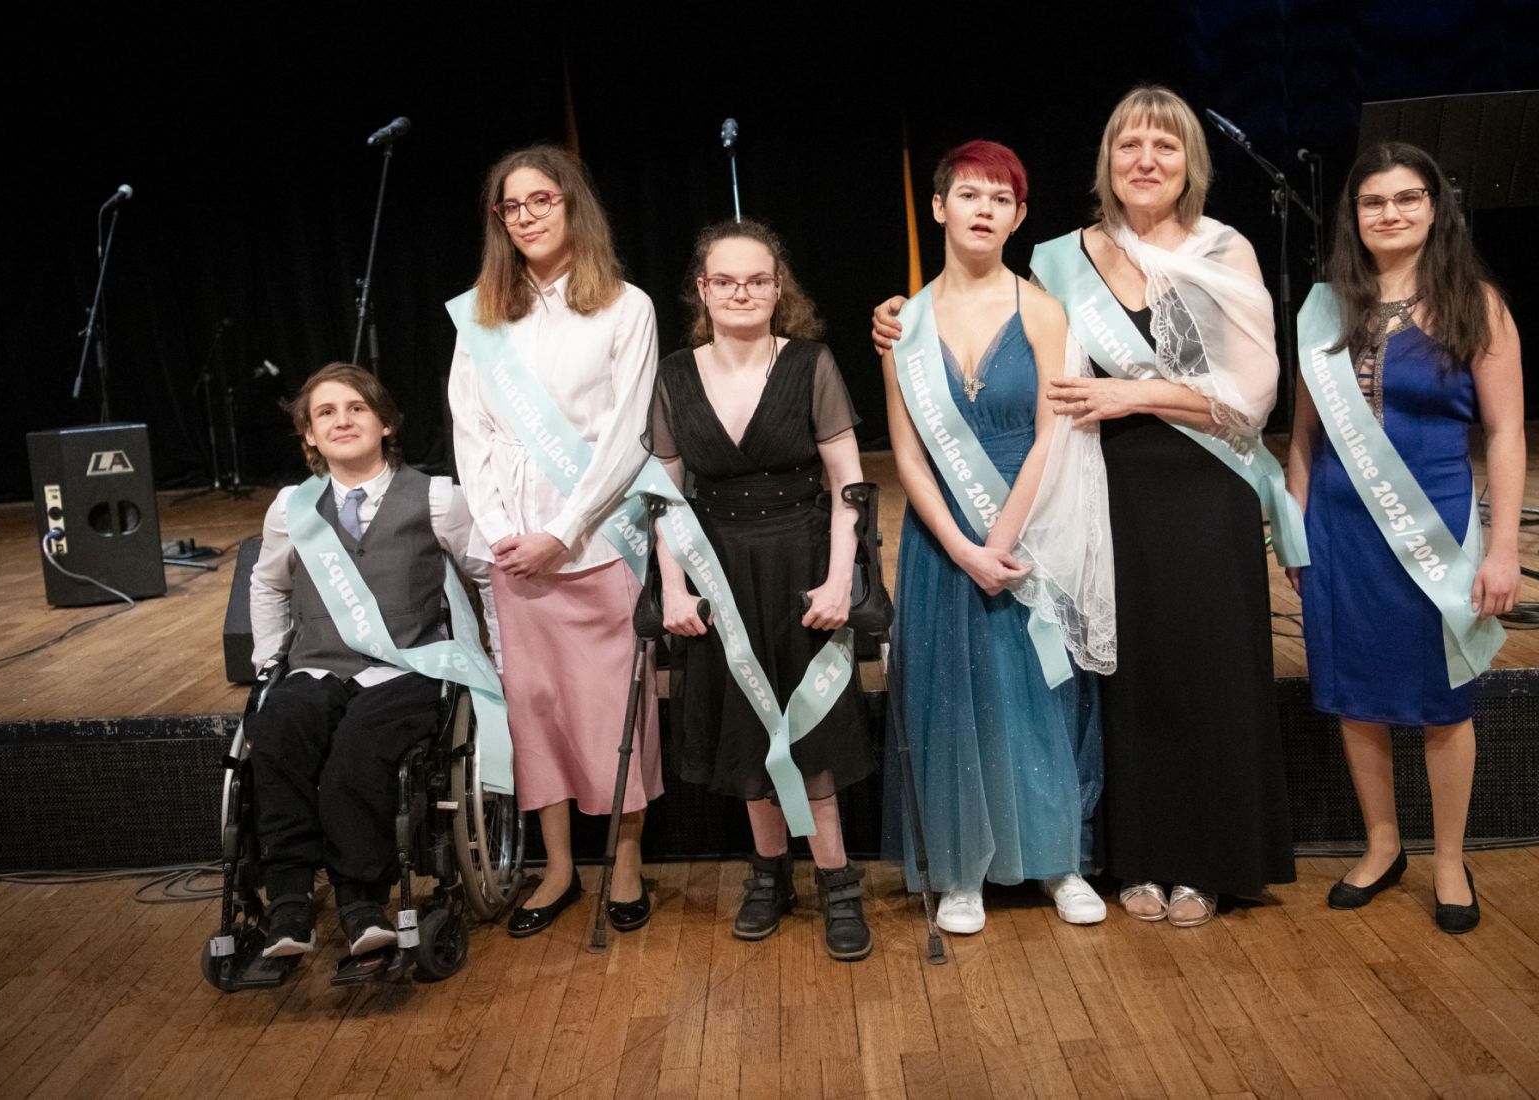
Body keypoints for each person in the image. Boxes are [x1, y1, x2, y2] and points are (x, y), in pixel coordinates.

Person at [874, 87, 1297, 927]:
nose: (1146, 160)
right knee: (1125, 680)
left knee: (1206, 669)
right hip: (1105, 486)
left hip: (1202, 482)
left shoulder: (1225, 248)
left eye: (1166, 146)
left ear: (1191, 163)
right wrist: (894, 315)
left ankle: (1208, 862)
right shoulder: (1065, 258)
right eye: (1129, 144)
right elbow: (986, 324)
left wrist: (1133, 395)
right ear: (1106, 161)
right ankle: (1135, 855)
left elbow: (1253, 394)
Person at [1287, 141, 1523, 934]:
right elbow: (1303, 436)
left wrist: (1504, 549)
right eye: (1373, 202)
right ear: (1353, 216)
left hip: (1435, 533)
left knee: (1441, 701)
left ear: (1435, 207)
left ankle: (1449, 858)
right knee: (1356, 695)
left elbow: (1508, 433)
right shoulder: (1327, 309)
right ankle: (1382, 844)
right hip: (1339, 531)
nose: (1389, 213)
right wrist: (1294, 526)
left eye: (1406, 198)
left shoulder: (1477, 304)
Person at [877, 140, 1108, 936]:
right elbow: (906, 454)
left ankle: (1059, 861)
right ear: (939, 207)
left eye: (1001, 198)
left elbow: (1053, 433)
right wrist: (963, 548)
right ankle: (961, 869)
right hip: (943, 538)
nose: (984, 209)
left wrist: (1002, 538)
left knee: (1040, 692)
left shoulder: (1042, 311)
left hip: (1030, 524)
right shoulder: (901, 324)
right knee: (951, 697)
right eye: (970, 194)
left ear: (1018, 216)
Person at [447, 144, 661, 938]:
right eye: (512, 205)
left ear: (572, 205)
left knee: (615, 711)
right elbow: (470, 431)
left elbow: (628, 437)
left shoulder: (626, 307)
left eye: (542, 200)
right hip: (516, 554)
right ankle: (560, 867)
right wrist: (505, 532)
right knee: (536, 712)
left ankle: (626, 861)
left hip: (599, 543)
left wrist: (562, 532)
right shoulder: (481, 315)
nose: (527, 216)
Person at [647, 219, 876, 961]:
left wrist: (840, 579)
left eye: (757, 280)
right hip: (717, 572)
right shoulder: (674, 376)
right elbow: (664, 499)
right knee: (746, 731)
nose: (741, 292)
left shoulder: (810, 363)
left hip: (803, 568)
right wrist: (673, 589)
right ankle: (768, 876)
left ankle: (837, 882)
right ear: (703, 290)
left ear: (779, 290)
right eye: (725, 280)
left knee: (813, 736)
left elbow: (850, 485)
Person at [248, 362, 501, 959]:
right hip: (317, 667)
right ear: (309, 435)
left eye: (356, 408)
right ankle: (288, 901)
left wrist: (501, 658)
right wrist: (267, 664)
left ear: (386, 423)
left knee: (358, 753)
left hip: (406, 670)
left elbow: (490, 578)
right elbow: (267, 585)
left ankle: (361, 900)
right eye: (325, 413)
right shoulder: (291, 509)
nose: (342, 420)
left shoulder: (437, 499)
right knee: (278, 731)